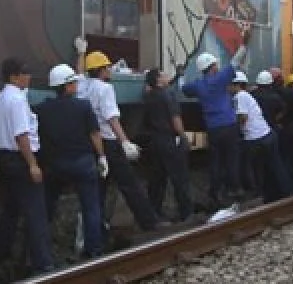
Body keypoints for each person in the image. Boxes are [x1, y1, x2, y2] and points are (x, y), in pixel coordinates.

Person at [72, 40, 158, 232]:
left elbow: (78, 73)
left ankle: (97, 228)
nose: (110, 70)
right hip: (109, 143)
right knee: (129, 183)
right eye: (108, 67)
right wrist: (125, 141)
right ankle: (149, 223)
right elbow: (112, 118)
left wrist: (81, 53)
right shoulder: (105, 89)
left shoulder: (81, 85)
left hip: (92, 144)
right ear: (101, 70)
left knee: (99, 187)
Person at [0, 58, 54, 275]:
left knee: (11, 209)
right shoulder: (16, 100)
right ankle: (43, 264)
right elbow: (21, 135)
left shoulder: (1, 98)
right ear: (13, 76)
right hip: (20, 159)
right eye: (25, 73)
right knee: (36, 212)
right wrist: (33, 165)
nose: (29, 76)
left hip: (5, 159)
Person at [36, 64, 108, 258]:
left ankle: (42, 253)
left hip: (54, 165)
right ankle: (94, 250)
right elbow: (94, 133)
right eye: (74, 82)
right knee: (91, 207)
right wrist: (101, 156)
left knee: (46, 208)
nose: (76, 85)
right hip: (82, 163)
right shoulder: (83, 106)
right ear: (67, 86)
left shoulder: (42, 109)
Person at [181, 35, 250, 208]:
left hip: (213, 129)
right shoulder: (221, 78)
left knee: (216, 162)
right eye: (215, 65)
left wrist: (181, 75)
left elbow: (183, 89)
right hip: (229, 125)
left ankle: (215, 193)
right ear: (212, 67)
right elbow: (235, 61)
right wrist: (243, 44)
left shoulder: (198, 85)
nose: (217, 67)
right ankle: (235, 189)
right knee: (232, 159)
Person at [230, 72, 293, 203]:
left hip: (255, 137)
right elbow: (283, 109)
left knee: (252, 166)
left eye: (229, 85)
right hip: (268, 134)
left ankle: (256, 193)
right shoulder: (249, 95)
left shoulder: (240, 96)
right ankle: (285, 192)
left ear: (236, 85)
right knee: (276, 165)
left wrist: (233, 127)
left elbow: (243, 117)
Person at [142, 68, 193, 224]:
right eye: (163, 74)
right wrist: (184, 137)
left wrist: (175, 76)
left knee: (157, 180)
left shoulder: (148, 96)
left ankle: (154, 212)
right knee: (180, 178)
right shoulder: (168, 95)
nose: (166, 76)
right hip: (169, 140)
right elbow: (175, 119)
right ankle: (186, 213)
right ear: (158, 80)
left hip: (154, 141)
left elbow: (149, 87)